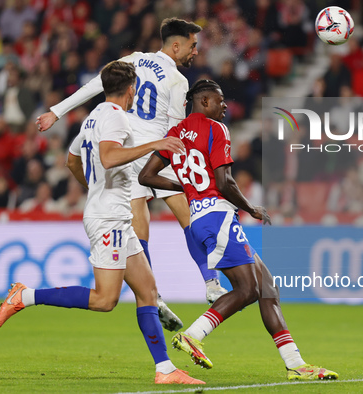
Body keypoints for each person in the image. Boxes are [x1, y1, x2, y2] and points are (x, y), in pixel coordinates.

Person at [0, 61, 204, 385]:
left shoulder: (94, 117)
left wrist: (93, 188)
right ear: (131, 88)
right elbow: (108, 157)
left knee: (148, 291)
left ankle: (165, 370)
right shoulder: (117, 117)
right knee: (105, 300)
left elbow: (71, 159)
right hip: (108, 219)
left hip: (114, 215)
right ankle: (24, 296)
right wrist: (154, 144)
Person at [35, 18, 228, 331]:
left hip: (127, 148)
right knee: (189, 217)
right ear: (176, 45)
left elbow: (93, 86)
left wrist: (56, 111)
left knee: (139, 224)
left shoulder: (132, 61)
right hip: (155, 152)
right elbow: (176, 130)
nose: (195, 52)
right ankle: (211, 283)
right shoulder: (178, 82)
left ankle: (153, 295)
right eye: (192, 45)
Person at [139, 80, 338, 381]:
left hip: (199, 219)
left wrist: (184, 186)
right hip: (218, 216)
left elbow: (146, 175)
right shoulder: (216, 129)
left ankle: (295, 364)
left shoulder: (175, 133)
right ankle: (193, 335)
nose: (225, 106)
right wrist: (251, 208)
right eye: (219, 101)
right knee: (248, 290)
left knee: (267, 287)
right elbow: (224, 182)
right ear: (203, 101)